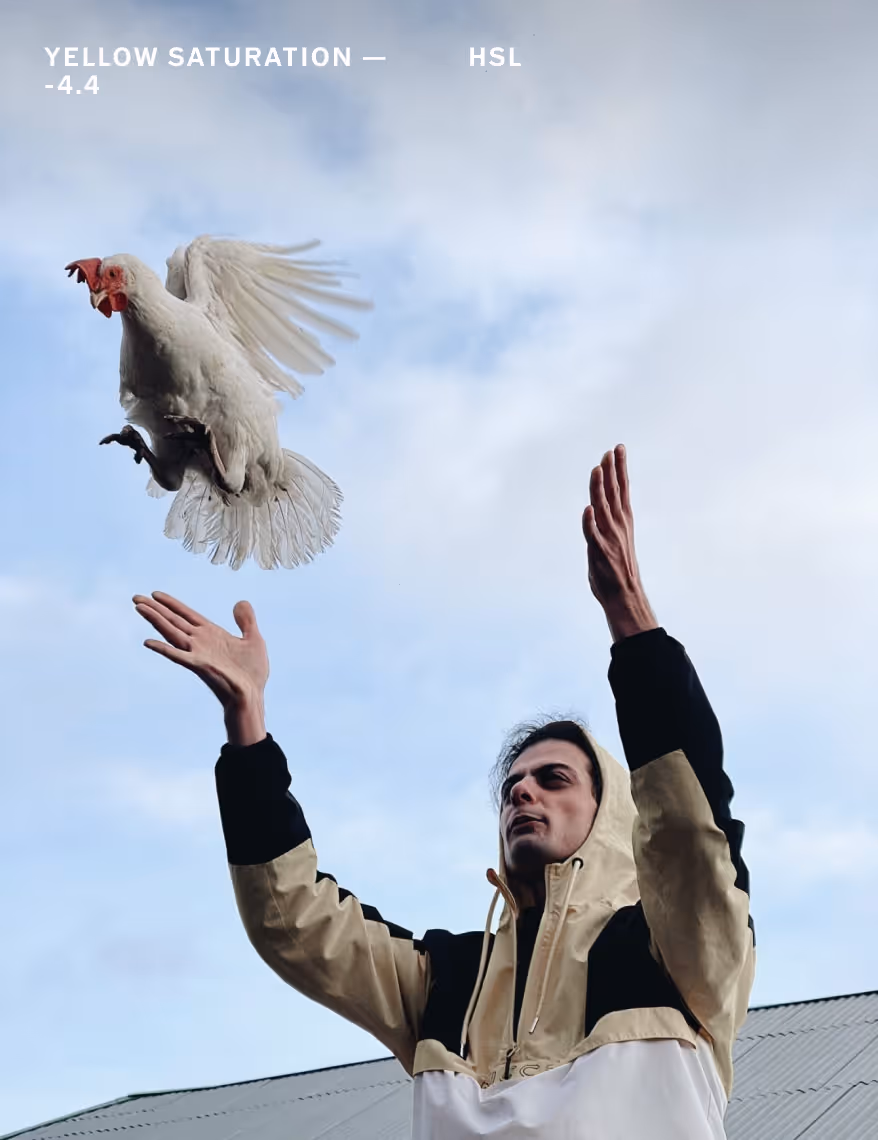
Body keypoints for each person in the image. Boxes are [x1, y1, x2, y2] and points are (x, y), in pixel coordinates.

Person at [133, 445, 754, 1139]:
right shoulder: (446, 979)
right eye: (512, 786)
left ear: (610, 811)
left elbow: (690, 836)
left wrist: (633, 628)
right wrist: (247, 730)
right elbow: (296, 924)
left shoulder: (671, 951)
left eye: (553, 780)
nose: (523, 795)